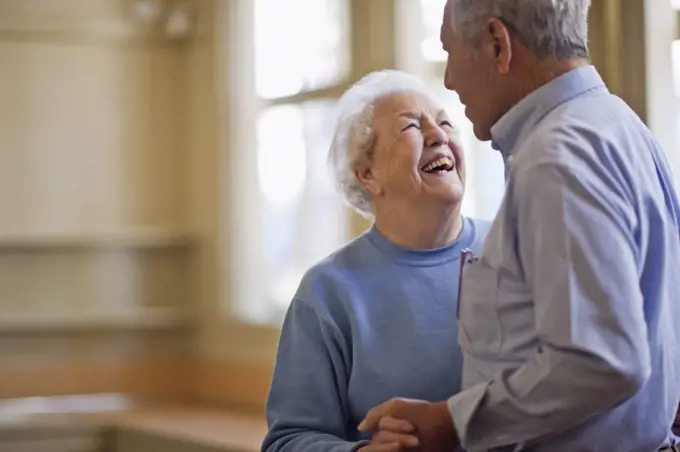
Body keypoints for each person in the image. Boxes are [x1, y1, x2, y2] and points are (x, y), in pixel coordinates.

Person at [359, 1, 680, 451]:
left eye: (450, 53)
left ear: (498, 44)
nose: (449, 80)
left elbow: (602, 361)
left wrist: (452, 423)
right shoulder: (623, 128)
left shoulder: (555, 157)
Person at [260, 70, 490, 452]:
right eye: (411, 127)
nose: (439, 135)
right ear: (368, 174)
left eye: (445, 122)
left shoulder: (515, 248)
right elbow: (287, 441)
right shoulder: (328, 291)